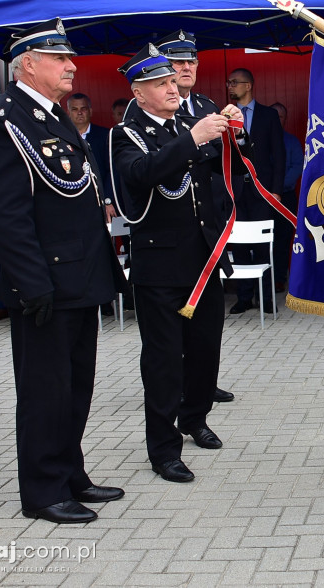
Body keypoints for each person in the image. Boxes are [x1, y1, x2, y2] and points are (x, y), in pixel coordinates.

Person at [0, 18, 126, 524]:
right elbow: (5, 213)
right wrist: (29, 281)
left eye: (70, 57)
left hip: (79, 277)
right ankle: (41, 490)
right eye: (58, 58)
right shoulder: (5, 119)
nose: (71, 65)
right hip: (45, 283)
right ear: (28, 63)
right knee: (44, 391)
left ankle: (70, 472)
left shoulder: (52, 115)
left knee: (76, 385)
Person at [111, 44, 241, 483]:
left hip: (202, 261)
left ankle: (195, 417)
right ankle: (163, 448)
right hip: (161, 269)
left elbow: (224, 172)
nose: (173, 88)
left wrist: (232, 132)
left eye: (173, 81)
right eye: (161, 84)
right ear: (139, 92)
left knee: (205, 349)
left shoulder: (188, 123)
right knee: (164, 361)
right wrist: (194, 138)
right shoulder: (125, 133)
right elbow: (143, 174)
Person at [152, 30, 235, 404]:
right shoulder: (150, 112)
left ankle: (203, 384)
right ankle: (180, 387)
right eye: (177, 62)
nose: (186, 68)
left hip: (208, 227)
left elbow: (226, 162)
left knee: (207, 326)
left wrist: (237, 133)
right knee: (174, 327)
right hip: (170, 233)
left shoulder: (205, 105)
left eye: (191, 61)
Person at [226, 67, 285, 314]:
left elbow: (279, 155)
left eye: (235, 82)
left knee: (263, 245)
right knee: (238, 244)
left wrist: (277, 190)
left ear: (248, 86)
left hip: (263, 191)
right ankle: (244, 297)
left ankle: (266, 297)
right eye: (229, 83)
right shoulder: (225, 116)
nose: (230, 86)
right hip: (236, 190)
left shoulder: (268, 115)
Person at [66, 93, 116, 223]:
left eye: (83, 109)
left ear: (90, 111)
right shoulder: (61, 137)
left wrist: (108, 200)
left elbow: (112, 171)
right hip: (72, 202)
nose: (80, 113)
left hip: (101, 202)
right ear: (68, 112)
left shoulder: (106, 136)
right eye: (75, 109)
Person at [272, 101, 301, 293]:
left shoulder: (291, 142)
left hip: (284, 198)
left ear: (285, 119)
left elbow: (296, 167)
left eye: (280, 117)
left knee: (282, 240)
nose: (276, 120)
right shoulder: (258, 141)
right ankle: (260, 282)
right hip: (262, 199)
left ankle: (278, 279)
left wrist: (276, 190)